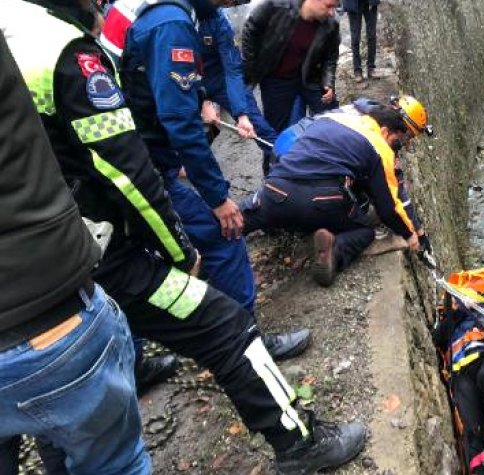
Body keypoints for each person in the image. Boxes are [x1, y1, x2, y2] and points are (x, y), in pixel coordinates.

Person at [3, 2, 365, 473]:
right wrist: (179, 248)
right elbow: (124, 168)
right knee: (223, 323)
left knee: (59, 427)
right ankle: (302, 443)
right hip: (81, 262)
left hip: (53, 269)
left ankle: (133, 363)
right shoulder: (64, 47)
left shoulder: (27, 32)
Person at [0, 26, 150, 475]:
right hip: (47, 316)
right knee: (111, 461)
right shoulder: (65, 47)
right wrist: (178, 251)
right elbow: (121, 159)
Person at [101, 0, 258, 315]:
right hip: (139, 166)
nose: (236, 4)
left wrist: (197, 102)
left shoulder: (159, 9)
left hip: (120, 159)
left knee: (138, 260)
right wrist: (218, 198)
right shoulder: (170, 22)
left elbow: (141, 84)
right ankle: (245, 338)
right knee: (224, 234)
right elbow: (181, 123)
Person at [240, 97, 431, 286]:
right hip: (320, 199)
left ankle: (216, 241)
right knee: (364, 230)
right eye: (401, 139)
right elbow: (388, 206)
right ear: (385, 131)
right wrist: (410, 234)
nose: (401, 146)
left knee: (237, 218)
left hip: (277, 185)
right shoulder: (379, 147)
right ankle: (334, 251)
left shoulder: (335, 117)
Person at [432, 286, 484, 474]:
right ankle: (480, 464)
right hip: (462, 370)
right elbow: (438, 338)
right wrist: (459, 312)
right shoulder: (452, 320)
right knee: (471, 424)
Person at [198, 3, 279, 174]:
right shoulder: (178, 16)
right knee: (190, 133)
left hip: (219, 78)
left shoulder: (219, 20)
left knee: (258, 126)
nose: (230, 5)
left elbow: (232, 69)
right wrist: (203, 99)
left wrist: (241, 114)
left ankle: (286, 166)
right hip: (187, 82)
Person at [242, 0, 340, 138]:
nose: (332, 12)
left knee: (332, 120)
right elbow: (250, 29)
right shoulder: (275, 7)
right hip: (276, 80)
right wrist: (252, 67)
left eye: (335, 7)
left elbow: (331, 56)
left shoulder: (331, 24)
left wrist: (328, 82)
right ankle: (276, 158)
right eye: (329, 6)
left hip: (311, 76)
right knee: (278, 131)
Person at [342, 0, 380, 82]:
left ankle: (371, 68)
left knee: (372, 35)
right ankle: (357, 70)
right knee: (355, 38)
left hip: (370, 2)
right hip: (353, 3)